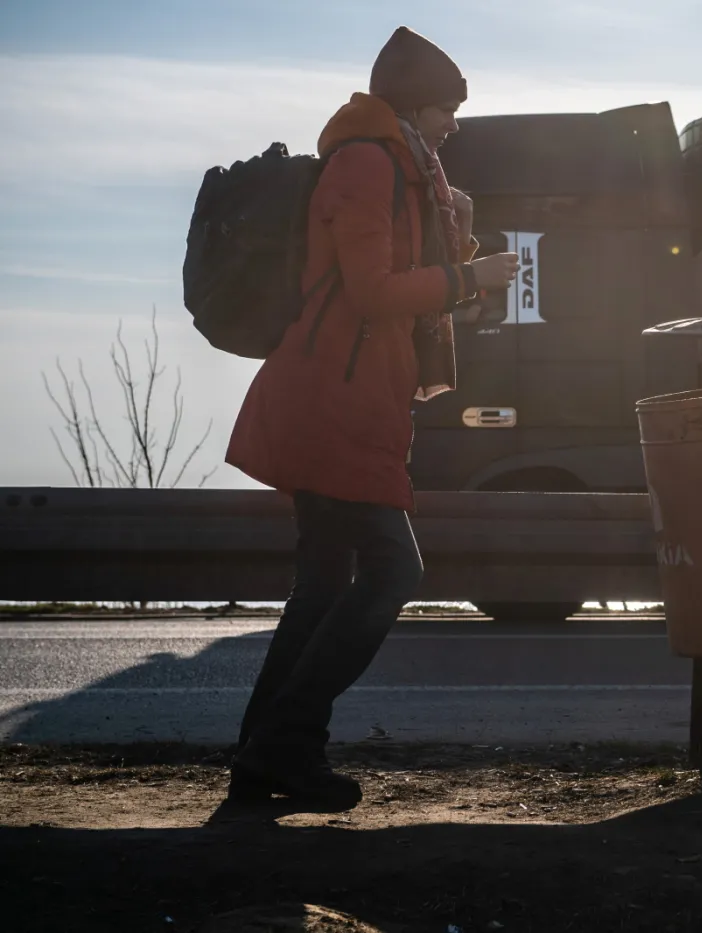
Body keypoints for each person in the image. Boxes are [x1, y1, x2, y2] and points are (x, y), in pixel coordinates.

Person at [222, 26, 520, 809]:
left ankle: (263, 756)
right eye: (447, 107)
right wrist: (469, 274)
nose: (454, 123)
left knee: (322, 585)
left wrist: (456, 232)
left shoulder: (407, 170)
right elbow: (373, 292)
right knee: (396, 569)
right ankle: (289, 741)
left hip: (357, 397)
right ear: (413, 105)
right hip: (332, 401)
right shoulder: (364, 164)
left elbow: (410, 275)